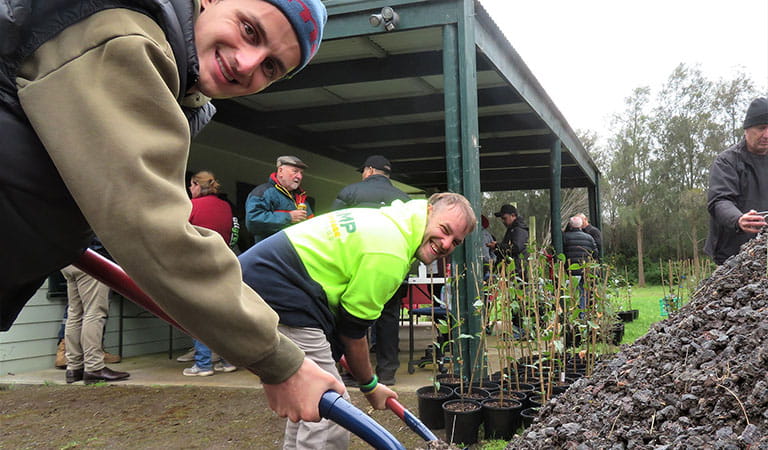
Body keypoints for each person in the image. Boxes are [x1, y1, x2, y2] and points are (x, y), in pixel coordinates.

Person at [1, 0, 345, 422]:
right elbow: (153, 225)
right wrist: (278, 359)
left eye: (271, 67)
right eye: (249, 30)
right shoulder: (126, 38)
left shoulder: (172, 79)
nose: (247, 62)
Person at [238, 193, 476, 449]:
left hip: (264, 284)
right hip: (279, 291)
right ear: (429, 211)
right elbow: (353, 333)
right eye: (444, 230)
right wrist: (370, 387)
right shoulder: (390, 248)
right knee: (330, 410)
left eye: (456, 241)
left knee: (308, 396)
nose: (446, 244)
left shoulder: (391, 222)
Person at [331, 155, 411, 386]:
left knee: (352, 318)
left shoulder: (349, 193)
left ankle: (356, 371)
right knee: (388, 319)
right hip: (391, 268)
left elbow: (333, 227)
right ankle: (387, 372)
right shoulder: (403, 199)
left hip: (356, 267)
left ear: (368, 171)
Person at [183, 171, 238, 376]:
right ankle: (227, 360)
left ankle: (203, 364)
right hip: (223, 263)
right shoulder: (225, 206)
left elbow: (181, 233)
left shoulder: (192, 206)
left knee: (200, 316)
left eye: (191, 185)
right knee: (222, 315)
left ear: (197, 185)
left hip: (199, 265)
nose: (190, 189)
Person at [705, 97, 768, 264]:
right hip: (733, 254)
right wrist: (738, 219)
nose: (766, 135)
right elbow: (720, 200)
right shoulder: (727, 161)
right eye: (761, 128)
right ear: (747, 129)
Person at [60, 239, 130, 384]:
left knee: (75, 313)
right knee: (94, 313)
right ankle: (94, 367)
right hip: (92, 258)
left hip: (67, 258)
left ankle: (73, 367)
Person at [245, 155, 314, 243]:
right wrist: (289, 217)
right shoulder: (264, 192)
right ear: (280, 171)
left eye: (301, 173)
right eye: (295, 171)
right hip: (270, 252)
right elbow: (253, 221)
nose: (299, 176)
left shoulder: (301, 198)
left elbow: (312, 225)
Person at [563, 216, 597, 309]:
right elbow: (595, 253)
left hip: (570, 270)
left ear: (570, 225)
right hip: (584, 270)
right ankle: (581, 315)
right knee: (583, 293)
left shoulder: (565, 237)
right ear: (581, 225)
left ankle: (571, 314)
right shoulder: (589, 237)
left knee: (570, 294)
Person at [487, 204, 529, 277]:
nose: (503, 221)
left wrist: (497, 246)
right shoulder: (512, 229)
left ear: (513, 216)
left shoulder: (519, 229)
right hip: (512, 270)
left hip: (516, 271)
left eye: (504, 218)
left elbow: (516, 248)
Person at [480, 214, 497, 281]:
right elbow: (492, 252)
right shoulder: (487, 234)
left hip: (483, 269)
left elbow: (485, 255)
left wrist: (487, 264)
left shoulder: (482, 234)